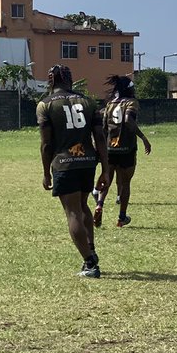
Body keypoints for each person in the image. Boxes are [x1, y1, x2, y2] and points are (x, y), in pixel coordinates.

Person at [37, 65, 110, 278]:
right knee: (82, 206)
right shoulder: (88, 102)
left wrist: (46, 172)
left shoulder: (44, 105)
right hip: (88, 162)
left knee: (72, 212)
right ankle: (91, 250)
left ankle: (89, 263)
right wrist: (105, 170)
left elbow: (46, 144)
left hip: (64, 163)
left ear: (51, 81)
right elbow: (100, 138)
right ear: (70, 80)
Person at [93, 75, 151, 228]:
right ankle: (121, 218)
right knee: (125, 183)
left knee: (107, 179)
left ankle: (99, 204)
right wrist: (143, 137)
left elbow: (104, 128)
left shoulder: (110, 104)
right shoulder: (132, 103)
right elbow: (128, 120)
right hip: (127, 149)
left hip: (110, 149)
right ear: (129, 88)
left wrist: (100, 149)